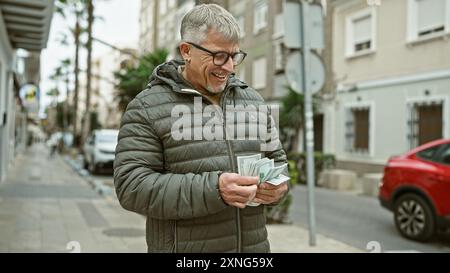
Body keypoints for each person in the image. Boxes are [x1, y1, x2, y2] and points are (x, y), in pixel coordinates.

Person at [114, 4, 289, 253]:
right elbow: (132, 187)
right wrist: (214, 189)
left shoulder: (254, 101)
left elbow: (277, 160)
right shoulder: (145, 107)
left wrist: (278, 186)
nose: (229, 67)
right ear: (186, 50)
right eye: (219, 55)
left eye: (234, 56)